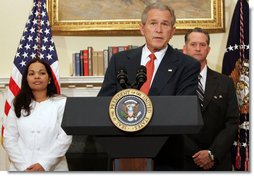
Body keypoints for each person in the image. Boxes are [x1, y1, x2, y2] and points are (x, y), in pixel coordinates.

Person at [98, 2, 200, 170]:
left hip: (165, 155)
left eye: (165, 24)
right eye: (153, 23)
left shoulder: (187, 65)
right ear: (142, 28)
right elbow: (104, 101)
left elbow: (182, 109)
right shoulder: (120, 60)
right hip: (121, 150)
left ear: (172, 31)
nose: (158, 30)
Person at [182, 27, 239, 171]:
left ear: (208, 49)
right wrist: (196, 155)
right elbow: (172, 123)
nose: (198, 48)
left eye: (202, 45)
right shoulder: (175, 82)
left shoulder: (225, 82)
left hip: (218, 161)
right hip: (184, 161)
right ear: (184, 49)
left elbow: (232, 122)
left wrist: (212, 153)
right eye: (193, 44)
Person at [3, 58, 72, 171]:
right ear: (26, 79)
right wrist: (24, 167)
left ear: (49, 78)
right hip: (21, 168)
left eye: (42, 73)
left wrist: (44, 165)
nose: (36, 76)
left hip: (54, 168)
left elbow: (65, 138)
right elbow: (9, 138)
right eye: (31, 74)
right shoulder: (17, 104)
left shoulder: (62, 103)